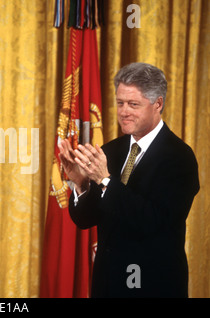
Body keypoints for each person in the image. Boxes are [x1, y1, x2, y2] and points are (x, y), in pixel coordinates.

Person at [58, 62, 200, 297]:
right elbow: (85, 219)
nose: (124, 112)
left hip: (153, 285)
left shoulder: (180, 157)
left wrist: (105, 180)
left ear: (158, 104)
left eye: (133, 104)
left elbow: (153, 222)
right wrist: (80, 183)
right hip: (107, 284)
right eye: (120, 103)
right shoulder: (111, 150)